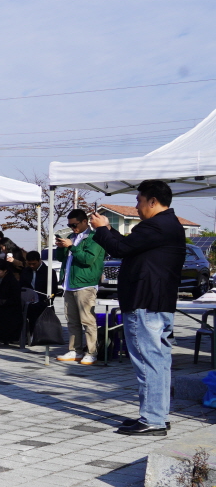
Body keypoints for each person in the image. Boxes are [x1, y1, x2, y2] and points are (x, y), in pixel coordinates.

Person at [90, 180, 186, 436]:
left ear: (152, 201)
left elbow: (120, 249)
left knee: (147, 361)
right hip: (158, 302)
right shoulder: (168, 225)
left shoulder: (156, 225)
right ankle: (158, 415)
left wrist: (101, 229)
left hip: (145, 302)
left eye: (139, 200)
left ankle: (153, 419)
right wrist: (108, 229)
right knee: (159, 361)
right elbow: (129, 246)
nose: (136, 206)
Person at [54, 208, 103, 365]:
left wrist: (71, 247)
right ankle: (75, 350)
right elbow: (60, 258)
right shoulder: (71, 237)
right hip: (69, 285)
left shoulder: (95, 238)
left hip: (85, 285)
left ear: (84, 222)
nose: (72, 228)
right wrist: (60, 246)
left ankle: (91, 352)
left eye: (74, 225)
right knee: (72, 320)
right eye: (70, 225)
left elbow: (87, 260)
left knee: (87, 320)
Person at [21, 250, 56, 337]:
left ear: (39, 260)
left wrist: (47, 299)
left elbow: (53, 290)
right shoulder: (25, 271)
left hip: (43, 301)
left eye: (34, 264)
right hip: (29, 301)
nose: (32, 266)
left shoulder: (49, 272)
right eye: (29, 264)